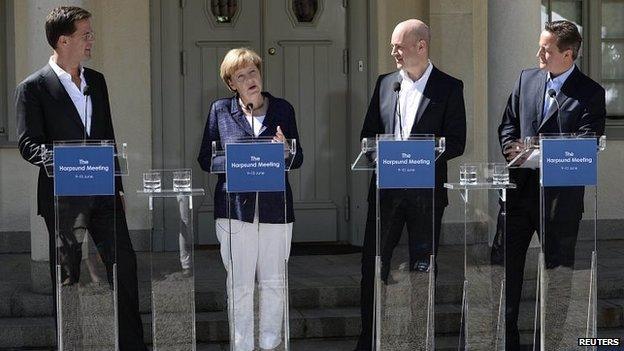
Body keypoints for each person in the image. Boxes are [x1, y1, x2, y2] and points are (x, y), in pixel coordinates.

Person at [15, 6, 147, 350]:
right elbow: (28, 143)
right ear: (63, 40)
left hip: (104, 194)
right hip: (63, 198)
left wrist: (117, 187)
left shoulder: (97, 82)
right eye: (85, 34)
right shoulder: (33, 88)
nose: (92, 40)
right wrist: (59, 160)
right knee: (68, 279)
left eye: (92, 33)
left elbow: (108, 136)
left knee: (125, 270)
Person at [355, 19, 466, 350]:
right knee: (373, 264)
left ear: (421, 46)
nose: (393, 52)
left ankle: (420, 337)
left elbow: (457, 142)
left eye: (399, 46)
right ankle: (370, 339)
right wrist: (379, 154)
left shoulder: (448, 87)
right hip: (386, 192)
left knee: (423, 267)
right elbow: (368, 134)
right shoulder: (385, 83)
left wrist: (421, 152)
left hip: (426, 194)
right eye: (392, 46)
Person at [497, 20, 606, 350]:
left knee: (557, 275)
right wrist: (510, 148)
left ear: (568, 54)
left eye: (546, 49)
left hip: (560, 201)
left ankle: (552, 342)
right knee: (504, 270)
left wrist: (538, 154)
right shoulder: (526, 78)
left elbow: (585, 144)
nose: (538, 54)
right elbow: (508, 124)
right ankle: (507, 340)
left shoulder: (590, 93)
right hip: (517, 196)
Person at [197, 48, 303, 351]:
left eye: (252, 72)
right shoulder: (220, 110)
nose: (249, 79)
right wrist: (237, 161)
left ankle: (270, 344)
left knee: (274, 282)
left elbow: (298, 158)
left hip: (275, 209)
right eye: (240, 76)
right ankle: (242, 345)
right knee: (240, 284)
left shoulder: (283, 109)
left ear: (260, 73)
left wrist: (286, 152)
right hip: (234, 210)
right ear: (232, 84)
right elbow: (206, 159)